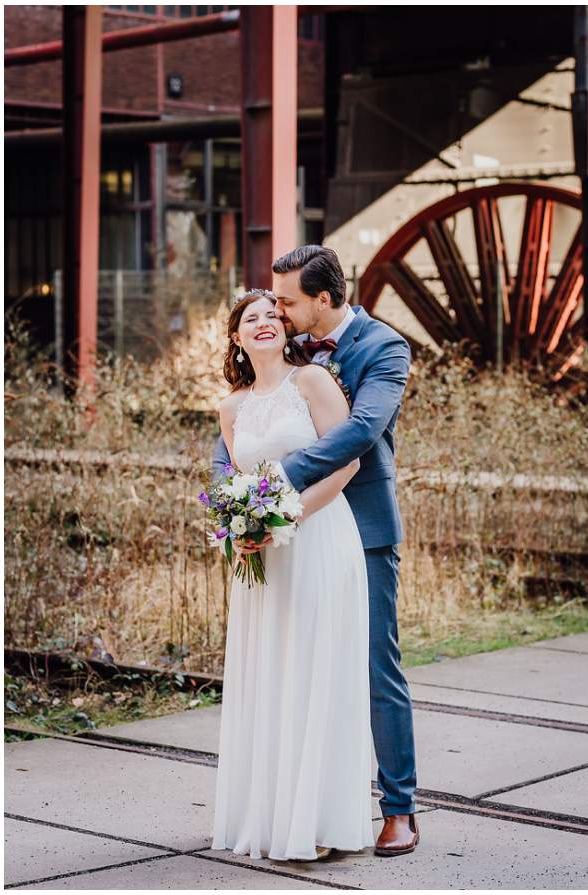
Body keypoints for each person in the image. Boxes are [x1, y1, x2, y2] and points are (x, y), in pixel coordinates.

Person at [212, 246, 420, 856]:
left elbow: (360, 433)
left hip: (358, 527)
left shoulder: (383, 348)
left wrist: (277, 486)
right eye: (268, 303)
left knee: (374, 668)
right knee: (289, 670)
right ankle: (288, 805)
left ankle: (399, 808)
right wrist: (237, 504)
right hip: (276, 542)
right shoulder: (278, 357)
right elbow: (232, 441)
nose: (274, 308)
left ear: (322, 300)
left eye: (286, 300)